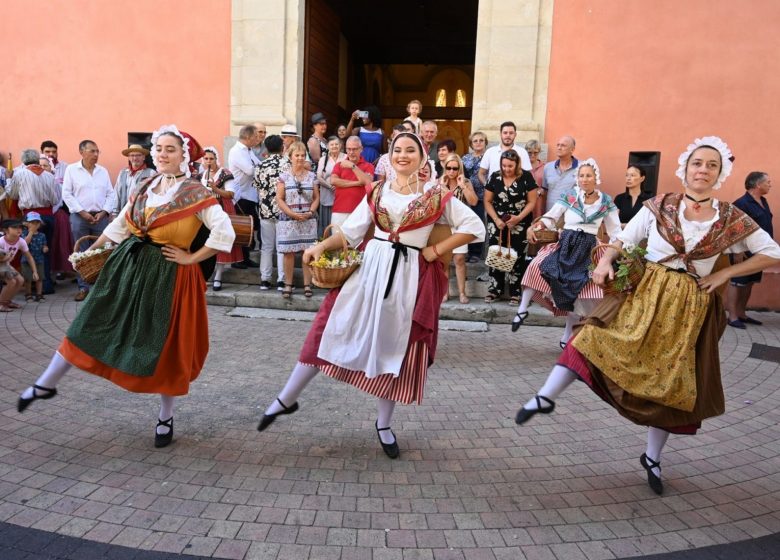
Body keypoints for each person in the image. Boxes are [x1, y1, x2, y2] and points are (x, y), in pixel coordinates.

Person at [514, 136, 780, 495]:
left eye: (711, 165)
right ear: (685, 169)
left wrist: (723, 274)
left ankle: (652, 457)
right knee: (591, 337)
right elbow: (624, 240)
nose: (703, 170)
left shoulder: (730, 218)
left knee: (671, 383)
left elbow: (771, 252)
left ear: (720, 174)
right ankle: (545, 397)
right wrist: (605, 262)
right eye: (697, 163)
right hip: (644, 292)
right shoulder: (660, 205)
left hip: (689, 305)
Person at [256, 132, 485, 458]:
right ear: (389, 156)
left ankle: (383, 424)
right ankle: (286, 398)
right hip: (368, 269)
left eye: (410, 150)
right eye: (397, 150)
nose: (403, 155)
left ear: (422, 157)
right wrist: (319, 246)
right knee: (327, 327)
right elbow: (350, 232)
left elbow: (475, 227)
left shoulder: (435, 194)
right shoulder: (378, 190)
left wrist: (435, 249)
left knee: (393, 347)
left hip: (405, 278)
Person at [16, 125, 235, 448]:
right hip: (129, 267)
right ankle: (46, 383)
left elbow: (224, 231)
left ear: (184, 155)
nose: (162, 154)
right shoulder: (147, 184)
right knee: (89, 321)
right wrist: (92, 251)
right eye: (158, 148)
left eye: (170, 149)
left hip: (170, 276)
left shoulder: (196, 192)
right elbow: (120, 225)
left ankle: (165, 416)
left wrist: (191, 259)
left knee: (166, 346)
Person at [514, 159, 621, 346]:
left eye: (588, 175)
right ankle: (522, 309)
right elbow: (552, 217)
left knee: (578, 293)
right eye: (581, 176)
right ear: (577, 178)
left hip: (588, 248)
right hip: (565, 243)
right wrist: (539, 225)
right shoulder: (570, 196)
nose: (584, 179)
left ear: (596, 178)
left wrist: (612, 253)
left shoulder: (605, 202)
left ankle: (566, 336)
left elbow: (615, 231)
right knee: (536, 266)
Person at [62, 140, 116, 301]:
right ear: (81, 152)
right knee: (81, 252)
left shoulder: (103, 171)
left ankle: (101, 288)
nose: (96, 155)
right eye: (92, 151)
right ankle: (83, 287)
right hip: (80, 217)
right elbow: (67, 194)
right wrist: (82, 212)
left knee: (104, 251)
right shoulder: (71, 170)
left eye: (97, 151)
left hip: (100, 217)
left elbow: (110, 194)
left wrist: (104, 211)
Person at [483, 150, 538, 305]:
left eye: (510, 166)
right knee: (496, 254)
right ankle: (495, 290)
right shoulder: (495, 176)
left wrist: (518, 218)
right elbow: (487, 201)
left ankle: (516, 292)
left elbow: (532, 202)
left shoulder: (526, 177)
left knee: (518, 256)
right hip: (497, 222)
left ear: (517, 164)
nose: (507, 169)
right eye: (504, 165)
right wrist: (495, 219)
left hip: (520, 223)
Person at [5, 148, 59, 294]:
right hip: (48, 216)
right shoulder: (49, 175)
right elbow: (56, 199)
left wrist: (9, 178)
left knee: (27, 251)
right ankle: (46, 285)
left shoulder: (20, 174)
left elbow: (12, 194)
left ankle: (32, 287)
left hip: (30, 217)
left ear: (23, 161)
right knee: (45, 250)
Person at [726, 171, 774, 328]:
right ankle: (732, 316)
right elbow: (731, 228)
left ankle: (741, 313)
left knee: (749, 283)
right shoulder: (741, 203)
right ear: (757, 184)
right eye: (768, 182)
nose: (770, 184)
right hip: (743, 252)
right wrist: (738, 251)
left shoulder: (763, 201)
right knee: (737, 282)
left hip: (759, 251)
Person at [276, 141, 319, 299]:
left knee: (307, 253)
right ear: (290, 157)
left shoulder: (312, 176)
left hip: (308, 219)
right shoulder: (284, 176)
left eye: (302, 155)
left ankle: (307, 284)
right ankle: (288, 284)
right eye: (297, 155)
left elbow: (316, 198)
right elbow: (280, 199)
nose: (300, 158)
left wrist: (311, 211)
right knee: (288, 253)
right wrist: (292, 214)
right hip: (289, 219)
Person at [200, 146, 242, 291]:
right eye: (206, 159)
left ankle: (218, 276)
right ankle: (207, 274)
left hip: (223, 209)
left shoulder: (225, 173)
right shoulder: (202, 174)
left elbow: (230, 194)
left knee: (220, 241)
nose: (208, 161)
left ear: (216, 159)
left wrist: (215, 188)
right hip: (206, 211)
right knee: (206, 241)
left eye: (211, 158)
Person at [438, 153, 478, 304]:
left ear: (459, 168)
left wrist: (462, 186)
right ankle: (444, 292)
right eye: (449, 168)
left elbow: (473, 202)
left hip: (461, 225)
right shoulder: (439, 182)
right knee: (445, 260)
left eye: (455, 168)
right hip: (443, 226)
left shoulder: (466, 182)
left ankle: (462, 292)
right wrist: (441, 187)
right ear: (445, 167)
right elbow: (435, 205)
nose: (452, 171)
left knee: (460, 259)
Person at [254, 135, 289, 291]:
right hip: (283, 210)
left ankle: (265, 280)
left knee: (267, 247)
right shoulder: (287, 164)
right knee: (282, 247)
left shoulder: (260, 165)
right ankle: (282, 280)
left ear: (267, 148)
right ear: (282, 147)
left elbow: (257, 186)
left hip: (265, 210)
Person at [228, 124, 262, 269]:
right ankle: (238, 260)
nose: (257, 139)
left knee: (249, 228)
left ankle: (245, 257)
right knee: (241, 229)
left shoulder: (248, 150)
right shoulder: (236, 151)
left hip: (250, 195)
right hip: (240, 195)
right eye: (255, 136)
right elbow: (250, 170)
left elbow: (258, 164)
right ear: (247, 137)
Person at [41, 141, 74, 280]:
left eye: (54, 151)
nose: (51, 154)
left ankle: (62, 269)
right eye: (48, 151)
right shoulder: (37, 167)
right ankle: (45, 274)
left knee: (62, 242)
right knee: (45, 244)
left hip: (61, 211)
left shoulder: (66, 168)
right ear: (42, 152)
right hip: (42, 211)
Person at [330, 136, 374, 227]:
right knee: (337, 240)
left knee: (360, 241)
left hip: (360, 212)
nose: (351, 152)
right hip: (339, 210)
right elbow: (333, 181)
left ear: (361, 149)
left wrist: (352, 166)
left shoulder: (368, 166)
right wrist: (358, 183)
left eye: (354, 149)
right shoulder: (339, 165)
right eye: (349, 149)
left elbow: (368, 182)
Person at [0, 218, 39, 311]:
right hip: (2, 264)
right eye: (14, 227)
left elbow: (29, 257)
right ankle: (1, 304)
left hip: (6, 264)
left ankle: (7, 301)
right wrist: (5, 259)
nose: (19, 230)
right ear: (5, 230)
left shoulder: (21, 241)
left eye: (20, 227)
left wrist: (35, 271)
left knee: (20, 281)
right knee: (12, 282)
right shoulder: (1, 241)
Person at [477, 122, 532, 187]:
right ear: (500, 134)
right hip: (494, 193)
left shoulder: (522, 152)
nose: (508, 135)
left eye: (511, 133)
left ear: (515, 134)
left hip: (517, 194)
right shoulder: (490, 152)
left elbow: (528, 175)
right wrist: (488, 186)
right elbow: (481, 173)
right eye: (505, 133)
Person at [462, 131, 488, 262]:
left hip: (484, 196)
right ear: (471, 144)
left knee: (478, 222)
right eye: (475, 141)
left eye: (481, 140)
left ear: (485, 142)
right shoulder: (465, 158)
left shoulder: (489, 156)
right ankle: (466, 250)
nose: (478, 143)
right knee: (466, 223)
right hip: (467, 195)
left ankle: (476, 253)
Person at [315, 136, 346, 239]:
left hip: (342, 194)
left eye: (336, 144)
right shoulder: (323, 159)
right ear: (328, 146)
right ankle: (326, 244)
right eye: (332, 144)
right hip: (327, 194)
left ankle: (339, 242)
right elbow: (319, 176)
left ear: (340, 145)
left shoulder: (345, 158)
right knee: (327, 221)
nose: (334, 146)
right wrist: (329, 186)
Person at [114, 144, 155, 214]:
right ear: (129, 158)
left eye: (138, 155)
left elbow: (154, 196)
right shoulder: (123, 173)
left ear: (143, 157)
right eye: (132, 155)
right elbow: (117, 193)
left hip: (141, 214)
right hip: (123, 213)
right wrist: (115, 212)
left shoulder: (151, 173)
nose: (135, 158)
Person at [542, 135, 578, 212]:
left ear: (572, 149)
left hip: (571, 215)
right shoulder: (548, 167)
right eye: (558, 145)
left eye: (563, 145)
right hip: (550, 214)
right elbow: (544, 191)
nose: (559, 148)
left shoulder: (581, 168)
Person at [21, 212, 48, 302]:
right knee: (28, 278)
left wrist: (45, 248)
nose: (35, 225)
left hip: (39, 259)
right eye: (32, 222)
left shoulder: (42, 235)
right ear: (27, 224)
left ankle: (39, 294)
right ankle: (28, 294)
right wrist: (31, 232)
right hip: (26, 260)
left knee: (39, 278)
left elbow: (44, 245)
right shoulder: (24, 233)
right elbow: (25, 243)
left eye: (37, 222)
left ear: (40, 224)